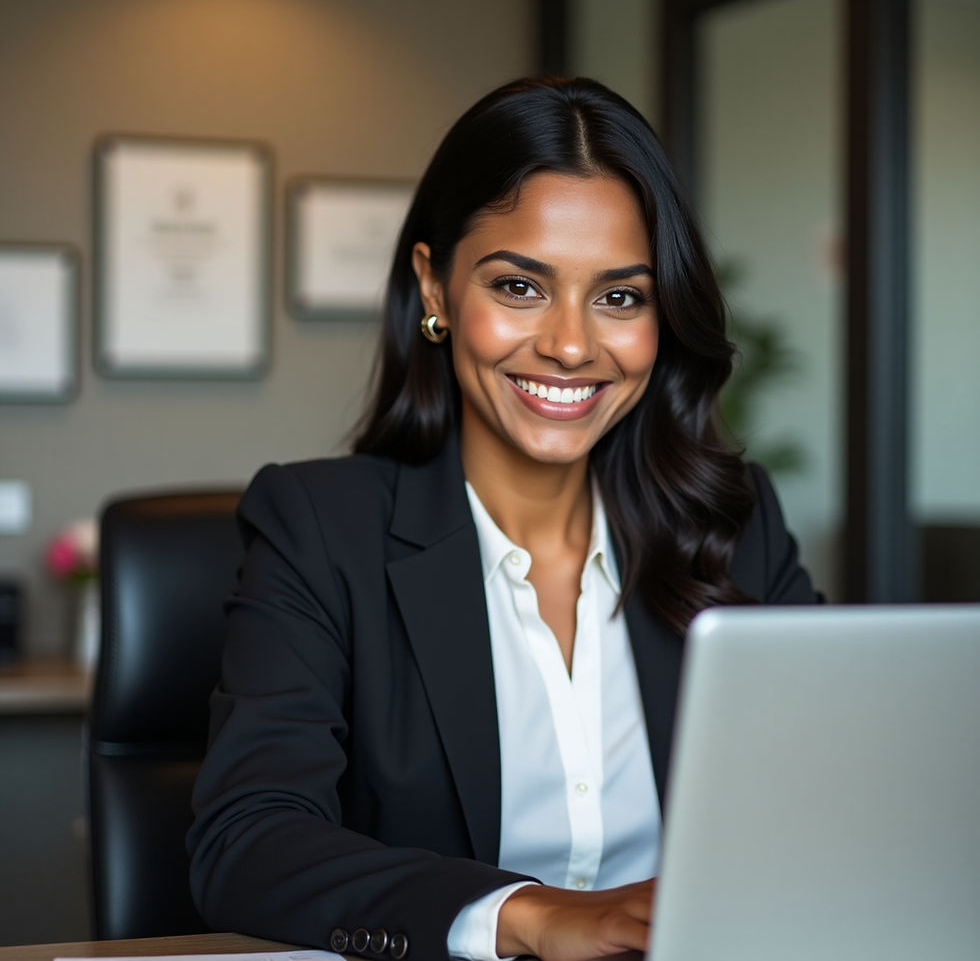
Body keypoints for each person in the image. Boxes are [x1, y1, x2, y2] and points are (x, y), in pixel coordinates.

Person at [187, 76, 821, 961]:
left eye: (620, 297)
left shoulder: (735, 523)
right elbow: (247, 843)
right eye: (521, 286)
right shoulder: (320, 529)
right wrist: (530, 915)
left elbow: (838, 800)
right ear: (436, 290)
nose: (570, 344)